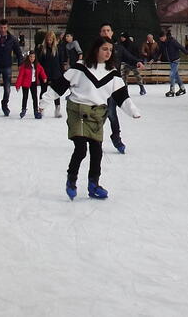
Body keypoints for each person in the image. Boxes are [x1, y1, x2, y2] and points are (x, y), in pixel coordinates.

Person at [49, 37, 142, 200]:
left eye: (110, 50)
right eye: (105, 49)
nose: (108, 52)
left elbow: (122, 97)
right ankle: (71, 180)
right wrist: (45, 100)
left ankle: (93, 184)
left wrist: (132, 110)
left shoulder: (112, 73)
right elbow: (61, 85)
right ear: (96, 50)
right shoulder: (81, 67)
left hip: (97, 113)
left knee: (97, 150)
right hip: (77, 111)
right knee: (80, 149)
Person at [97, 22, 143, 153]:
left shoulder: (118, 48)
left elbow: (129, 57)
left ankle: (116, 138)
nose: (106, 33)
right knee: (98, 114)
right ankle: (95, 138)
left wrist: (137, 62)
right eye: (103, 30)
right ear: (100, 34)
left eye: (108, 30)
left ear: (111, 33)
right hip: (98, 87)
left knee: (112, 113)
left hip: (112, 86)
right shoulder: (96, 49)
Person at [36, 31, 67, 118]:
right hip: (45, 73)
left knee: (56, 92)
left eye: (51, 40)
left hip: (56, 73)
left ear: (54, 40)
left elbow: (61, 61)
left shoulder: (58, 48)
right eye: (48, 40)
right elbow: (40, 62)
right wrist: (40, 74)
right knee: (43, 91)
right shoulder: (42, 49)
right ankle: (41, 109)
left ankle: (57, 110)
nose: (49, 41)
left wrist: (62, 73)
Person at [15, 51, 48, 119]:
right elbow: (20, 76)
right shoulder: (24, 65)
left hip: (33, 83)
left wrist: (44, 77)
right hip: (25, 84)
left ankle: (36, 111)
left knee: (35, 97)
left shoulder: (37, 65)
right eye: (31, 57)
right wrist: (18, 85)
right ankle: (23, 109)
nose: (32, 58)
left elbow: (41, 71)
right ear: (28, 57)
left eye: (33, 57)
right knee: (25, 97)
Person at [158, 30, 188, 97]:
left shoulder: (172, 41)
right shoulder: (162, 43)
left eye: (162, 38)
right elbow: (159, 51)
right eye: (160, 38)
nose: (161, 39)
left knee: (172, 75)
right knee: (176, 75)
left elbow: (180, 46)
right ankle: (182, 89)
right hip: (171, 61)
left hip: (176, 60)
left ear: (165, 36)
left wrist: (187, 52)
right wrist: (154, 58)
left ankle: (172, 90)